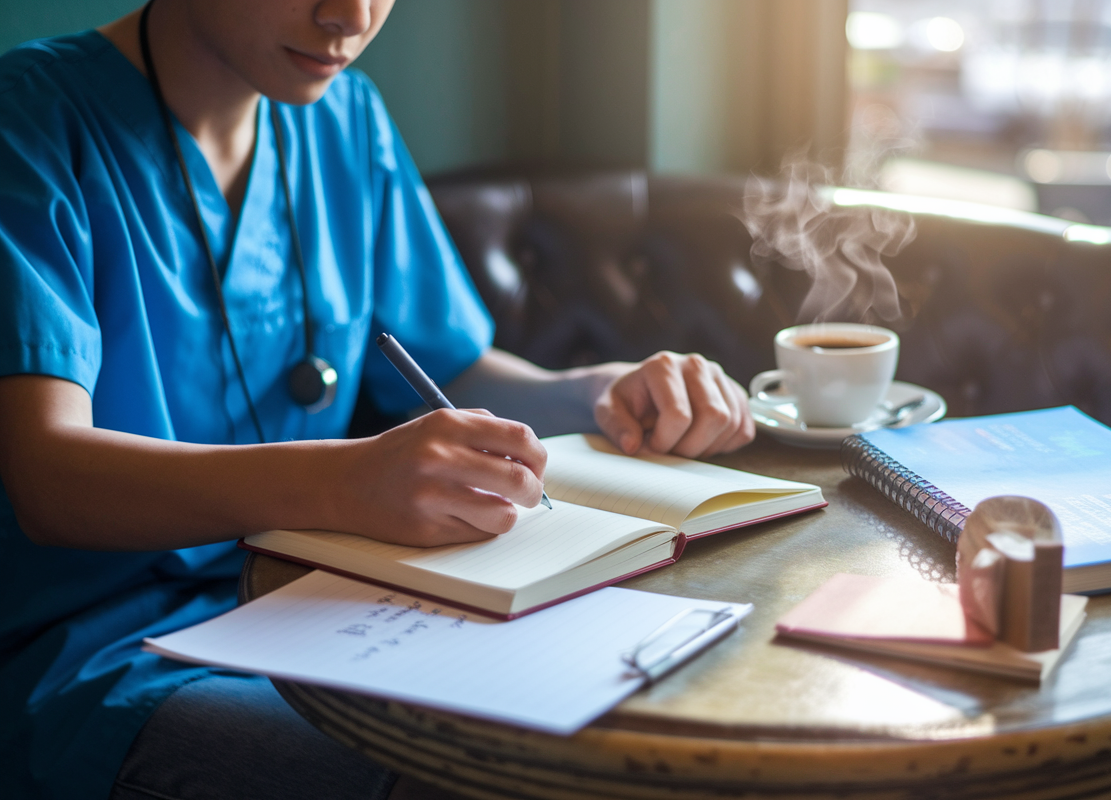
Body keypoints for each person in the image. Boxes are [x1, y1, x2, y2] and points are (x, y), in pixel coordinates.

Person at [0, 1, 755, 798]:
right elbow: (50, 480)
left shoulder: (345, 116)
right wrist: (343, 482)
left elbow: (450, 370)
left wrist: (601, 391)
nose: (350, 16)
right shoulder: (31, 121)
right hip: (105, 652)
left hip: (326, 602)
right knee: (465, 776)